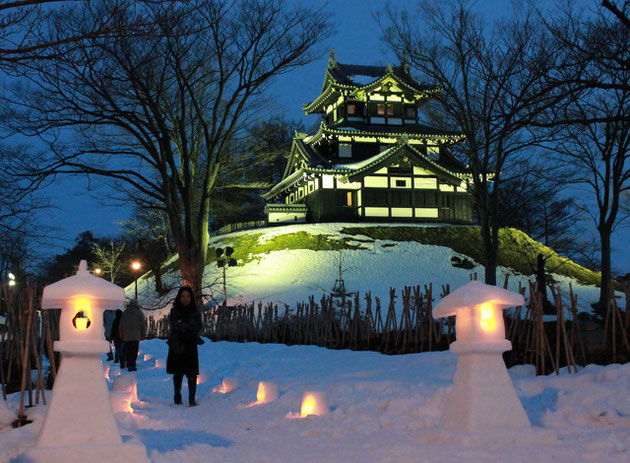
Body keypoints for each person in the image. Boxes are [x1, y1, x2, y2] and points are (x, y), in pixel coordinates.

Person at [167, 286, 202, 406]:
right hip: (177, 344)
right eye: (183, 296)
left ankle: (192, 399)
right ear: (179, 297)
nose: (185, 299)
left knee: (192, 373)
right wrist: (187, 326)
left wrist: (185, 326)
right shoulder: (175, 310)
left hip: (191, 344)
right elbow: (176, 325)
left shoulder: (195, 311)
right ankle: (177, 396)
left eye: (188, 296)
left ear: (191, 297)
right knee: (178, 372)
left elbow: (198, 325)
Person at [118, 299, 146, 372]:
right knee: (134, 351)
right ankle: (132, 365)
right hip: (136, 336)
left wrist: (121, 335)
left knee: (128, 350)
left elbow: (121, 325)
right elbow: (143, 324)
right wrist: (143, 334)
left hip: (127, 336)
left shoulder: (125, 313)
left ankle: (128, 363)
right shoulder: (139, 313)